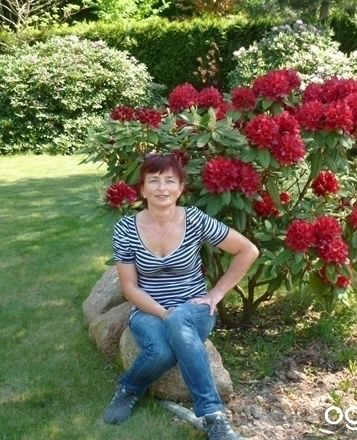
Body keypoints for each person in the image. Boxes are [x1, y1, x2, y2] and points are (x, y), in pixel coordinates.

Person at [104, 152, 259, 440]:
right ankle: (129, 388)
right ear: (142, 190)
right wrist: (164, 313)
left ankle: (212, 416)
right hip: (148, 309)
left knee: (179, 319)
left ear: (180, 189)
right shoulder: (125, 228)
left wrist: (216, 293)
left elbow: (247, 250)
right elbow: (130, 287)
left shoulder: (195, 220)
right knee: (160, 352)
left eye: (169, 181)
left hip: (194, 308)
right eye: (154, 181)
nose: (162, 188)